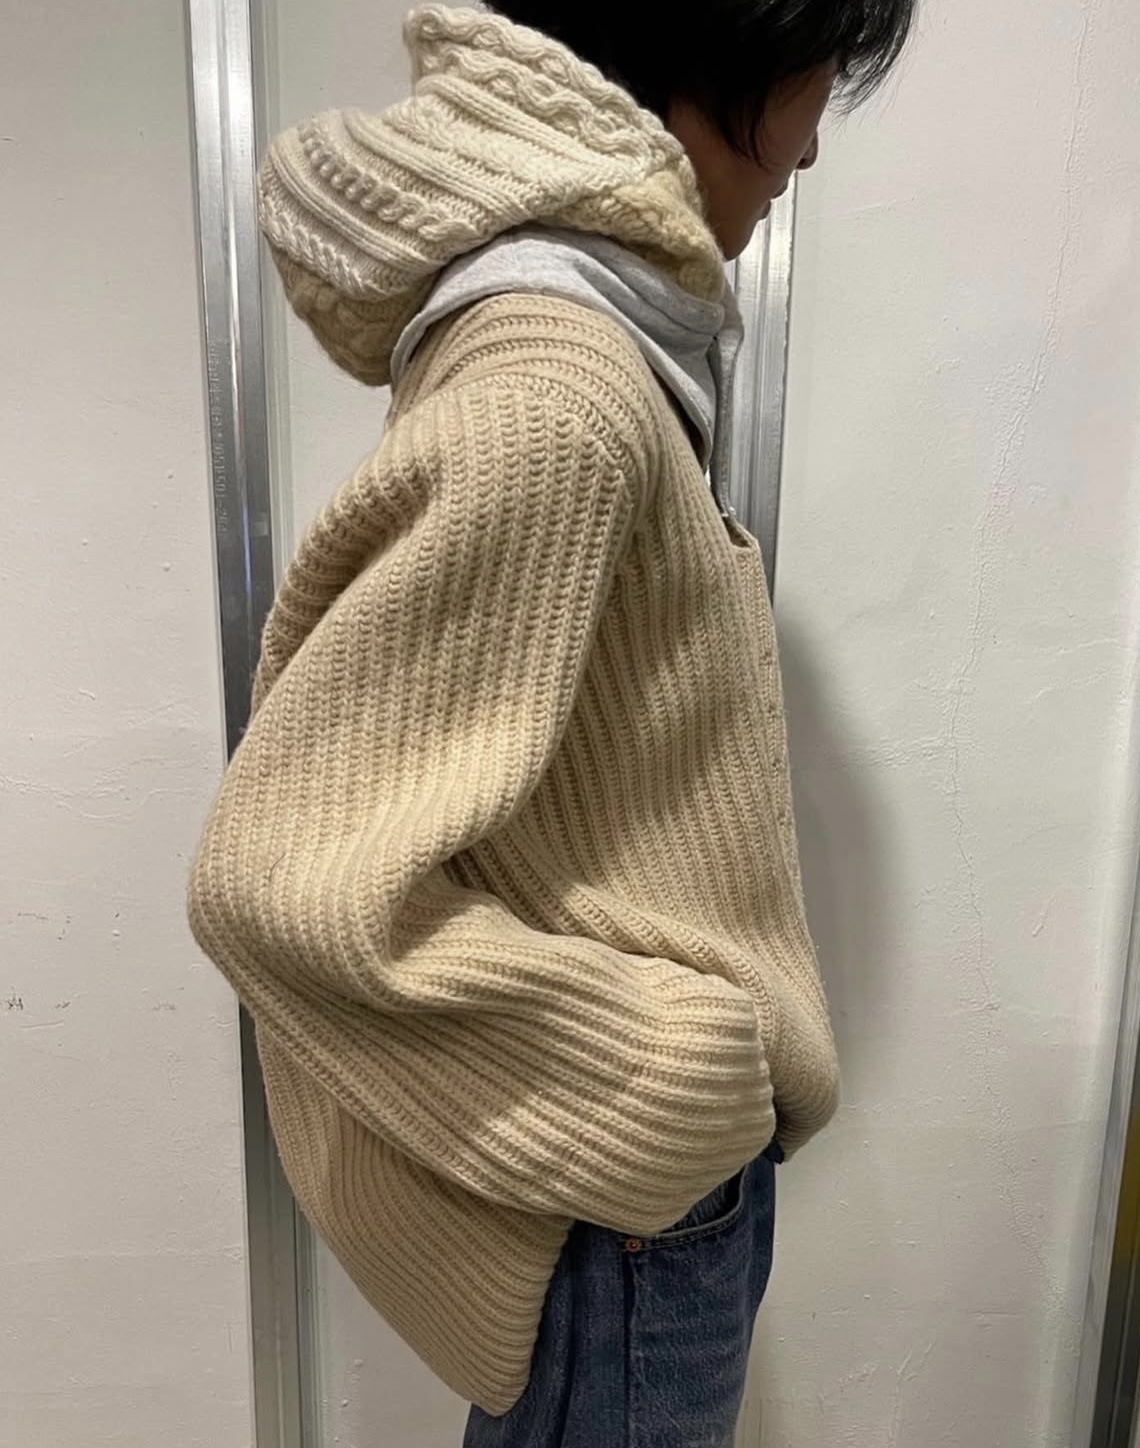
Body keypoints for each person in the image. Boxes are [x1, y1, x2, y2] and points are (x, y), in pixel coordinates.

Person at [188, 1, 912, 1443]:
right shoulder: (560, 386)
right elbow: (279, 881)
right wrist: (657, 1076)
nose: (813, 143)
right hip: (624, 1229)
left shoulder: (600, 341)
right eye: (820, 70)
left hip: (631, 1221)